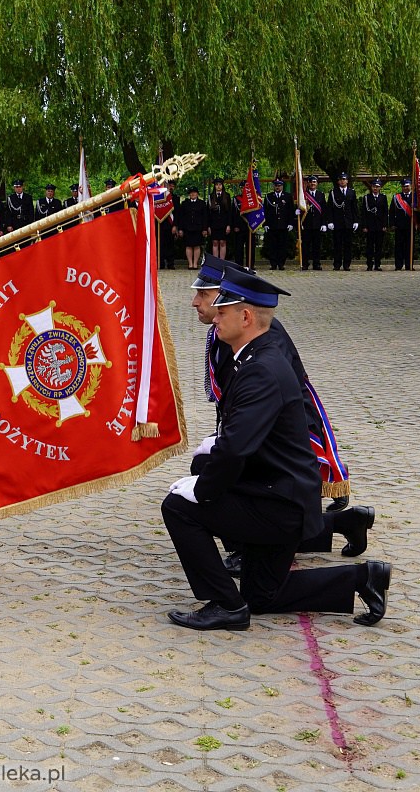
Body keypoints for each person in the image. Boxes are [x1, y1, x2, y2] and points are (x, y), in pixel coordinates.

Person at [162, 266, 391, 631]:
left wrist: (201, 489)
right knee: (262, 596)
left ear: (246, 316)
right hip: (280, 495)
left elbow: (236, 449)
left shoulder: (261, 368)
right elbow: (244, 439)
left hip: (278, 505)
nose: (214, 318)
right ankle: (362, 579)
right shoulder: (256, 356)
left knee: (178, 507)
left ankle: (225, 604)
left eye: (222, 312)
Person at [190, 255, 361, 577]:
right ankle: (344, 522)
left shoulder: (258, 334)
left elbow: (265, 394)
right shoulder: (225, 331)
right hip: (258, 424)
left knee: (230, 476)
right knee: (234, 477)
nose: (195, 302)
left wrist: (230, 440)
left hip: (281, 427)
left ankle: (245, 547)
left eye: (204, 294)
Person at [327, 172, 358, 270]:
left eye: (344, 179)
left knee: (348, 245)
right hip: (337, 222)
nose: (342, 181)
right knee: (337, 245)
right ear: (338, 181)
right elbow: (330, 208)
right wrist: (330, 221)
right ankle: (337, 264)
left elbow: (354, 208)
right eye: (340, 179)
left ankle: (346, 264)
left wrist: (356, 221)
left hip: (348, 222)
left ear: (347, 181)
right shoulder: (333, 192)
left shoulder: (351, 192)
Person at [263, 179, 295, 270]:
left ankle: (281, 264)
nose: (277, 187)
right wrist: (265, 224)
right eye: (276, 185)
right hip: (272, 225)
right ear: (274, 186)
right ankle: (273, 264)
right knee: (272, 246)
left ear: (282, 186)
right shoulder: (269, 197)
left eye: (279, 185)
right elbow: (265, 211)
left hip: (283, 225)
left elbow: (290, 211)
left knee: (282, 246)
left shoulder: (288, 196)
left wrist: (290, 223)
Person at [176, 186, 208, 270]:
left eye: (194, 192)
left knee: (197, 246)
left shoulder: (202, 203)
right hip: (187, 228)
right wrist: (180, 229)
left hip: (198, 228)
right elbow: (181, 217)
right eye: (191, 192)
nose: (193, 194)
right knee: (188, 246)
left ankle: (195, 263)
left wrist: (205, 229)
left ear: (197, 194)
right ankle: (190, 264)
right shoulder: (184, 204)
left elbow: (205, 217)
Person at [298, 175, 326, 271]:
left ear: (317, 183)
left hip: (317, 224)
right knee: (305, 246)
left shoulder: (321, 195)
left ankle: (316, 264)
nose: (312, 184)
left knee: (317, 246)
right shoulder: (303, 195)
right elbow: (300, 208)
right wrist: (297, 212)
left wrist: (323, 223)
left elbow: (324, 210)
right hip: (306, 224)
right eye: (311, 182)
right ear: (308, 183)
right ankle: (305, 264)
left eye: (314, 182)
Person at [360, 179, 388, 271]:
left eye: (377, 186)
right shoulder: (367, 198)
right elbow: (363, 213)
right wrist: (364, 226)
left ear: (380, 187)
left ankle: (377, 264)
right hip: (370, 225)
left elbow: (385, 212)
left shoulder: (383, 197)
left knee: (379, 246)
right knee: (369, 246)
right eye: (374, 186)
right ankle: (369, 264)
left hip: (380, 225)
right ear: (371, 187)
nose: (375, 188)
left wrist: (385, 225)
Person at [390, 178, 415, 270]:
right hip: (399, 225)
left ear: (411, 186)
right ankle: (398, 265)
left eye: (407, 186)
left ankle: (409, 265)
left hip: (411, 226)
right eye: (404, 186)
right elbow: (392, 212)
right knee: (399, 246)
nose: (405, 188)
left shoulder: (414, 197)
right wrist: (392, 223)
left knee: (410, 246)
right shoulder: (397, 197)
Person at [207, 178, 234, 259]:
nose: (218, 186)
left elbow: (229, 212)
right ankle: (216, 262)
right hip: (213, 224)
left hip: (224, 223)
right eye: (216, 185)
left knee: (222, 242)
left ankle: (222, 261)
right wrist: (208, 226)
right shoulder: (211, 197)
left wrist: (229, 225)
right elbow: (208, 213)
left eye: (220, 185)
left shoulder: (227, 196)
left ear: (222, 186)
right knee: (215, 242)